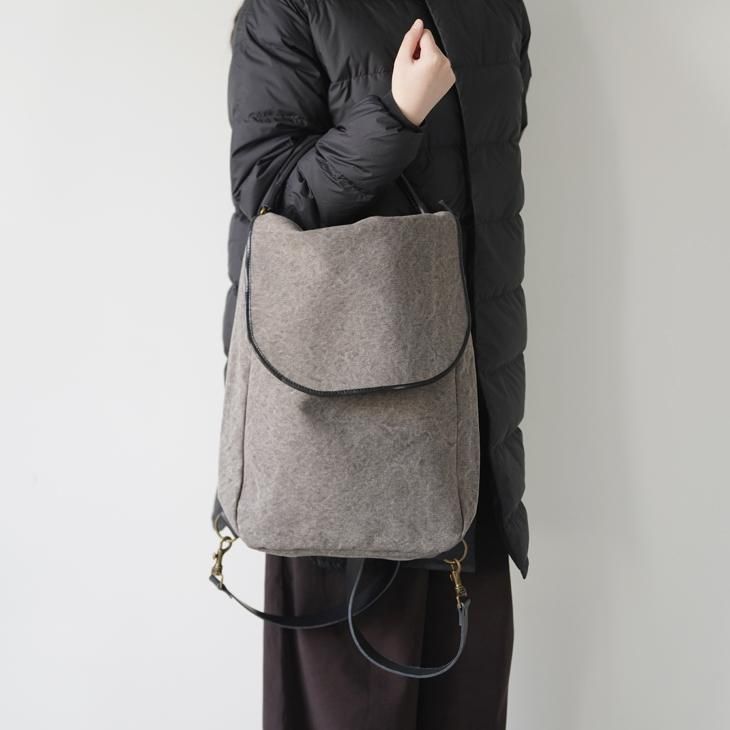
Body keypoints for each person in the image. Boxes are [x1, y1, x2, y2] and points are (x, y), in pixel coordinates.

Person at [221, 1, 532, 728]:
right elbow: (269, 202)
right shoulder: (289, 9)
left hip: (467, 450)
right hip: (338, 452)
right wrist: (394, 115)